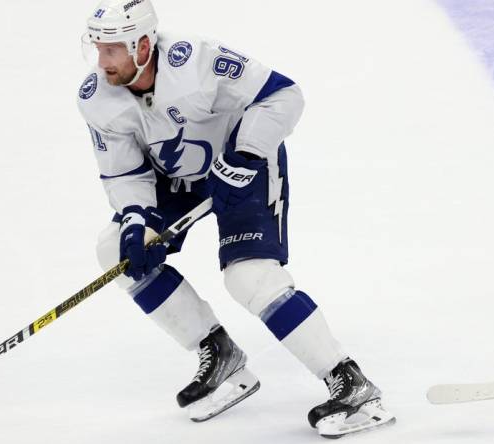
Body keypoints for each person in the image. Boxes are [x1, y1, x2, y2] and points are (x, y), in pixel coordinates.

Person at [77, 0, 395, 438]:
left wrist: (244, 153)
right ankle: (219, 354)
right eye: (98, 48)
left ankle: (350, 382)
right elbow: (124, 171)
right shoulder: (97, 98)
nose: (102, 61)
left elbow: (283, 94)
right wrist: (136, 218)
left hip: (242, 163)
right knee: (116, 248)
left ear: (144, 44)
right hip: (175, 177)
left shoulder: (199, 61)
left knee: (250, 278)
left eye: (111, 49)